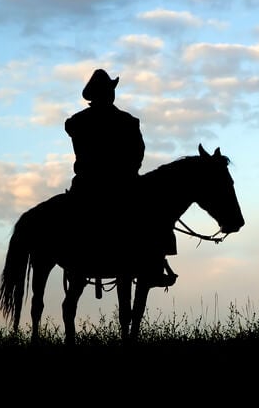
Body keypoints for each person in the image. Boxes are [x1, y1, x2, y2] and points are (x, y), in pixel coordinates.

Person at [65, 68, 176, 288]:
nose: (110, 94)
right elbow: (138, 154)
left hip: (88, 183)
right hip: (120, 184)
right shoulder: (127, 121)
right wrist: (126, 170)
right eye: (108, 90)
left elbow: (136, 153)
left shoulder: (77, 121)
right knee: (153, 213)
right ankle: (154, 264)